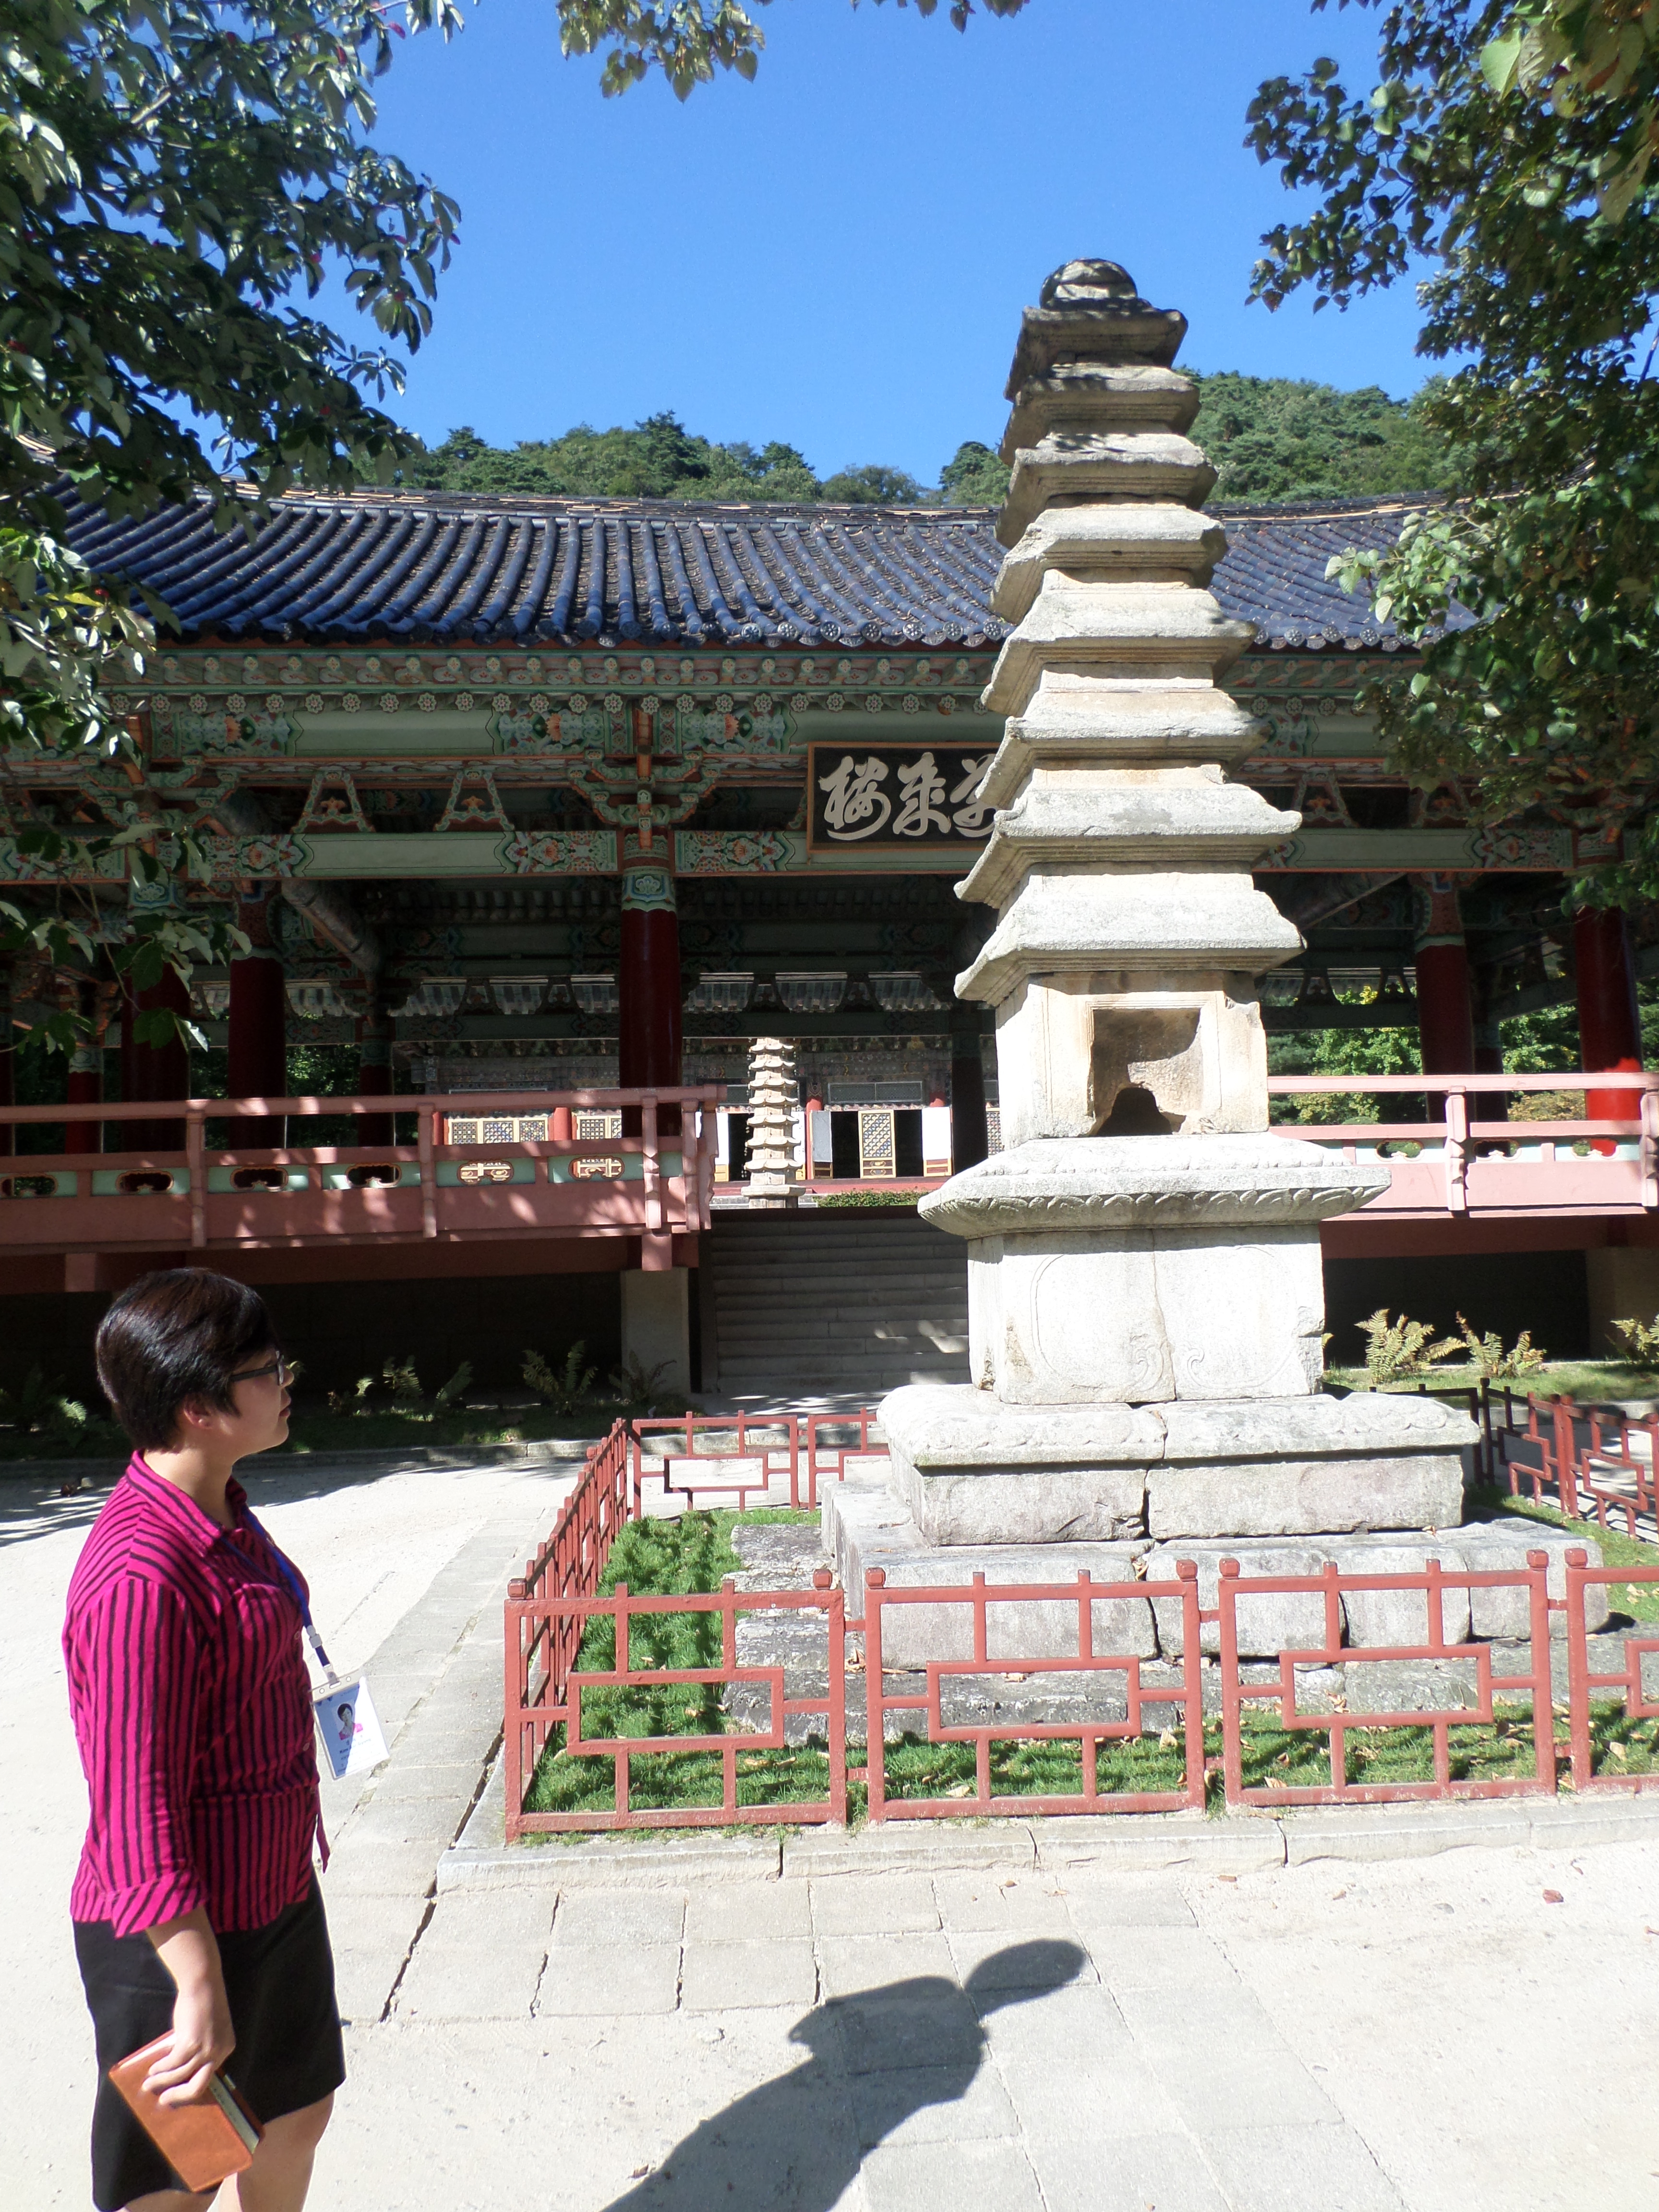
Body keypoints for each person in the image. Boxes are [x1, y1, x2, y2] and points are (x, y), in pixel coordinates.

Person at [64, 1270, 342, 2212]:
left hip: (273, 1895)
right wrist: (195, 1981)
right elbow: (133, 1808)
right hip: (171, 1939)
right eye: (267, 1370)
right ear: (198, 1408)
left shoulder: (221, 1507)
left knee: (293, 2118)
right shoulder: (140, 1580)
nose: (286, 1382)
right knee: (183, 2177)